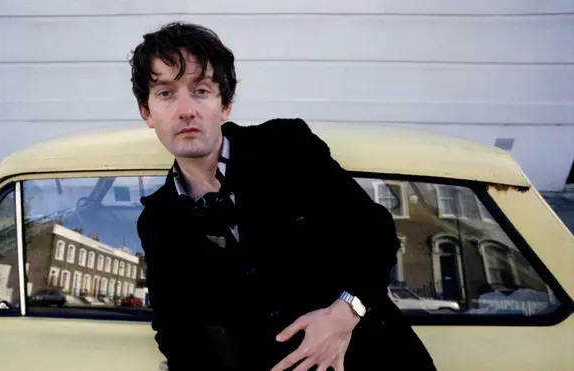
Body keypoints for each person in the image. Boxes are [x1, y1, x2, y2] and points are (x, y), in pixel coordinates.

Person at [131, 22, 437, 371]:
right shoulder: (158, 221)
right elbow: (177, 333)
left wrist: (346, 312)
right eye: (166, 93)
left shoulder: (286, 146)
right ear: (147, 112)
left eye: (201, 90)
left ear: (225, 104)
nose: (186, 110)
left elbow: (377, 232)